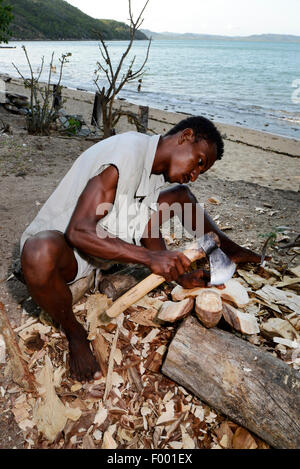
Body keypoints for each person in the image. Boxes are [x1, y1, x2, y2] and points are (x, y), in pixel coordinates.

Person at [20, 116, 261, 381]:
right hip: (67, 252)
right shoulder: (125, 155)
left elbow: (144, 223)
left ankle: (228, 248)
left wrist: (177, 276)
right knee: (37, 251)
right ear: (185, 136)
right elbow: (78, 231)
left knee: (182, 196)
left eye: (200, 173)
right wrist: (150, 257)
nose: (194, 176)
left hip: (104, 246)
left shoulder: (155, 168)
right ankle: (74, 333)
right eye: (199, 162)